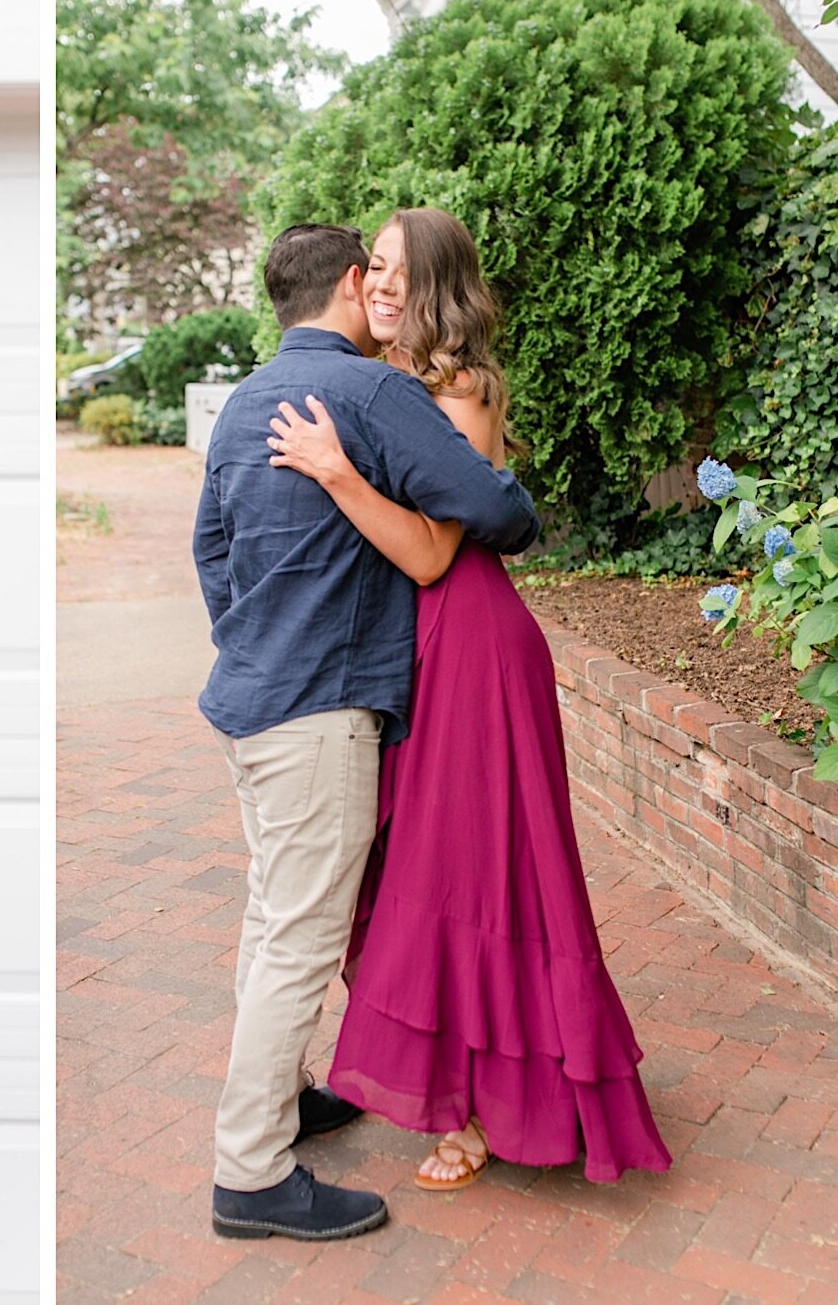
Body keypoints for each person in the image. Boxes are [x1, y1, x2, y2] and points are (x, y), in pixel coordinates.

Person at [266, 207, 671, 1188]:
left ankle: (484, 1112)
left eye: (402, 270)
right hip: (421, 649)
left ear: (439, 280)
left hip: (475, 645)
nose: (385, 285)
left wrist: (334, 471)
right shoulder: (392, 382)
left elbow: (431, 548)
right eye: (376, 270)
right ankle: (454, 1082)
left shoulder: (462, 386)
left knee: (472, 876)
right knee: (409, 870)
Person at [193, 223, 542, 1241]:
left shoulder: (240, 408)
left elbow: (212, 558)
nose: (384, 286)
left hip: (248, 700)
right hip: (320, 707)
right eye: (374, 273)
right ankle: (251, 1171)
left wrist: (255, 643)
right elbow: (492, 508)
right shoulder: (369, 391)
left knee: (273, 917)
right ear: (350, 284)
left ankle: (284, 1099)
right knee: (303, 935)